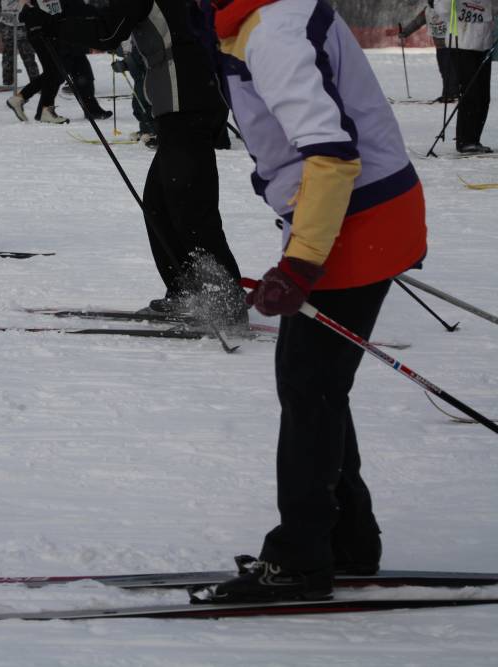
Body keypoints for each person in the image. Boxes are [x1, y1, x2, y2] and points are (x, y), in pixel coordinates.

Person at [203, 0, 428, 602]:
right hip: (355, 216)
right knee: (319, 387)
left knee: (308, 389)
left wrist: (300, 263)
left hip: (355, 221)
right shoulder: (258, 19)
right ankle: (345, 540)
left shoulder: (273, 31)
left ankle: (303, 558)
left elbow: (330, 153)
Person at [22, 0, 245, 323]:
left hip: (186, 98)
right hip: (187, 100)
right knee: (160, 204)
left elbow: (107, 32)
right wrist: (54, 19)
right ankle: (190, 291)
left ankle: (221, 298)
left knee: (189, 207)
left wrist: (51, 25)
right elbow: (108, 17)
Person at [434, 0, 496, 153]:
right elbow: (442, 9)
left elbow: (494, 9)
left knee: (483, 97)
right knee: (471, 93)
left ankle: (473, 139)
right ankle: (465, 141)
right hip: (461, 46)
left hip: (484, 46)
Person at [5, 0, 70, 124]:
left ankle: (21, 99)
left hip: (48, 28)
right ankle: (44, 109)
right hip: (40, 29)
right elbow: (25, 8)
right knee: (54, 71)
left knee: (54, 72)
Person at [396, 0, 458, 103]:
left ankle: (451, 93)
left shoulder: (447, 8)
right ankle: (451, 93)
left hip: (450, 44)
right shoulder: (427, 11)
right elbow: (416, 23)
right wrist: (405, 32)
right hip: (439, 47)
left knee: (449, 70)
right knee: (444, 70)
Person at [0, 0, 40, 87]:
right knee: (8, 55)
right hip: (8, 23)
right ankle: (7, 82)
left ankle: (36, 82)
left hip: (22, 24)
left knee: (27, 55)